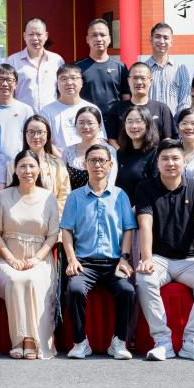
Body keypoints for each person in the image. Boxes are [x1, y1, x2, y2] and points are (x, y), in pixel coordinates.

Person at [134, 142, 194, 361]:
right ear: (157, 163)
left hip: (189, 259)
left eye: (175, 158)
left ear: (184, 162)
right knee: (144, 279)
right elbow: (145, 225)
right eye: (165, 158)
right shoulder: (145, 188)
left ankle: (192, 341)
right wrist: (146, 258)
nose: (170, 163)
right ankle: (162, 341)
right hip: (158, 258)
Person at [60, 143, 137, 360]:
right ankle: (80, 342)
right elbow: (66, 230)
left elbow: (128, 228)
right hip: (85, 262)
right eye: (92, 160)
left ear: (110, 165)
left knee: (127, 290)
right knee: (75, 289)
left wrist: (125, 258)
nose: (97, 165)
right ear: (85, 164)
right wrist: (72, 259)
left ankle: (119, 342)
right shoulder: (75, 197)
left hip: (114, 262)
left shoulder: (120, 195)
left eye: (102, 160)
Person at [0, 150, 61, 360]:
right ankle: (18, 340)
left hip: (40, 259)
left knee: (31, 280)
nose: (27, 171)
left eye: (31, 166)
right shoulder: (3, 196)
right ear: (15, 170)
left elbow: (53, 235)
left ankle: (32, 340)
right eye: (23, 166)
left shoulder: (48, 198)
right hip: (7, 257)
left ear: (39, 169)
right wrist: (10, 258)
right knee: (14, 279)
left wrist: (37, 258)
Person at [0, 63, 35, 162]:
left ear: (16, 84)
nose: (4, 84)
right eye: (0, 79)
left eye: (9, 80)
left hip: (18, 165)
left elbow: (32, 140)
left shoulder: (26, 110)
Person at [14, 114, 71, 214]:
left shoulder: (58, 164)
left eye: (40, 132)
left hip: (52, 218)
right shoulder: (15, 163)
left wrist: (53, 216)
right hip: (21, 217)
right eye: (31, 132)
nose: (36, 136)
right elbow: (10, 194)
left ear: (47, 134)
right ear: (25, 134)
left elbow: (64, 196)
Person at [110, 62, 178, 141]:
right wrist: (122, 150)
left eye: (143, 78)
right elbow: (112, 140)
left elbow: (168, 138)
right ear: (128, 81)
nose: (139, 82)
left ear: (150, 81)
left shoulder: (162, 108)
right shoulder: (117, 109)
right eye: (135, 78)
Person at [8, 18, 64, 113]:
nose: (35, 38)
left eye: (39, 34)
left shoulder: (57, 60)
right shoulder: (12, 61)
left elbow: (62, 90)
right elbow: (8, 91)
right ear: (24, 36)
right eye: (31, 34)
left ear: (46, 36)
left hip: (50, 116)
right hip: (22, 116)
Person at [42, 64, 103, 149]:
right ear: (57, 84)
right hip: (58, 157)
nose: (69, 83)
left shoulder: (92, 109)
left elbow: (101, 139)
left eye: (74, 78)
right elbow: (45, 141)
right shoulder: (46, 111)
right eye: (64, 79)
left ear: (81, 83)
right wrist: (64, 156)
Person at [76, 18, 128, 114]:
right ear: (87, 39)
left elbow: (126, 98)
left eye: (102, 35)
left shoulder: (120, 67)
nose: (99, 39)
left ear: (109, 39)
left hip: (114, 120)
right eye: (94, 35)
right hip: (87, 120)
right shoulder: (77, 67)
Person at [113, 105, 160, 197]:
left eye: (138, 121)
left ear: (147, 124)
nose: (134, 126)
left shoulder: (156, 153)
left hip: (145, 204)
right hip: (121, 203)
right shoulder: (120, 153)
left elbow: (156, 186)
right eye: (129, 122)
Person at [59, 107, 108, 192]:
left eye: (90, 123)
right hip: (72, 199)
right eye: (81, 123)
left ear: (100, 125)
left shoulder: (109, 151)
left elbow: (111, 181)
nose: (85, 126)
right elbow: (63, 182)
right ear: (75, 125)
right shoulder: (68, 151)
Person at [144, 22, 190, 113]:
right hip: (148, 120)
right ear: (151, 40)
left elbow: (185, 101)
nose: (162, 41)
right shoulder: (142, 69)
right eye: (158, 37)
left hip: (174, 120)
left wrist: (179, 119)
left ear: (171, 42)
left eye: (166, 38)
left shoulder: (180, 68)